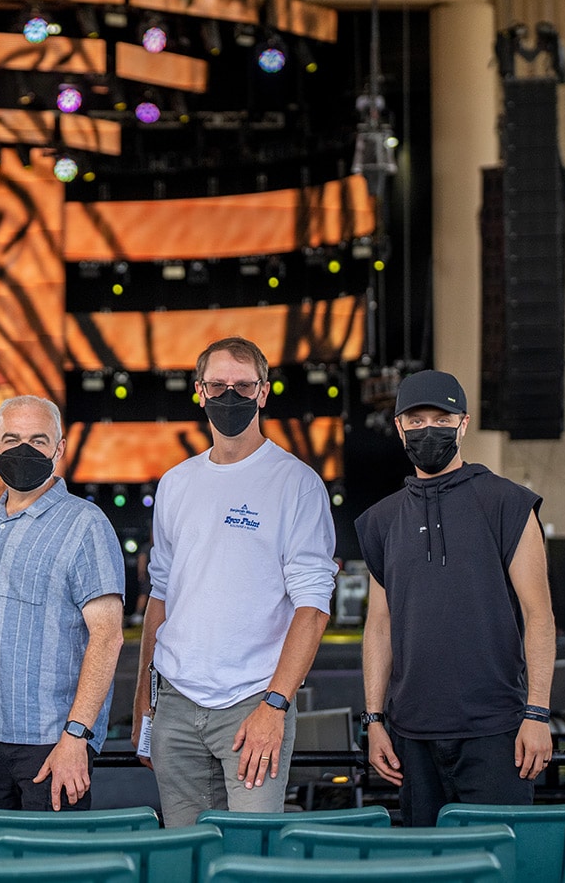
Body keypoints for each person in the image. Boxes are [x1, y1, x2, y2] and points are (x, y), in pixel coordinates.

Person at [133, 336, 336, 825]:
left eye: (243, 386)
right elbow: (160, 597)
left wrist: (274, 706)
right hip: (176, 705)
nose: (230, 397)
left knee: (249, 858)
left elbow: (313, 607)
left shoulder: (297, 483)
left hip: (252, 704)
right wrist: (145, 702)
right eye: (218, 385)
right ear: (199, 391)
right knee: (185, 857)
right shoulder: (176, 483)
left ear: (264, 392)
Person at [355, 369, 556, 827]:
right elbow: (380, 626)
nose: (429, 429)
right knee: (427, 868)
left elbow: (538, 615)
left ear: (463, 424)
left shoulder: (508, 503)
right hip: (411, 737)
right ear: (400, 427)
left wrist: (538, 714)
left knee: (498, 864)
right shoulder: (380, 521)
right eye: (417, 419)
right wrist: (373, 720)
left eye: (441, 418)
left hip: (496, 731)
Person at [0, 395, 125, 811]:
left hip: (52, 744)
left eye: (38, 440)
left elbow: (107, 637)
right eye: (11, 439)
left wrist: (76, 737)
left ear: (59, 449)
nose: (23, 450)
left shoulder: (86, 525)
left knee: (52, 871)